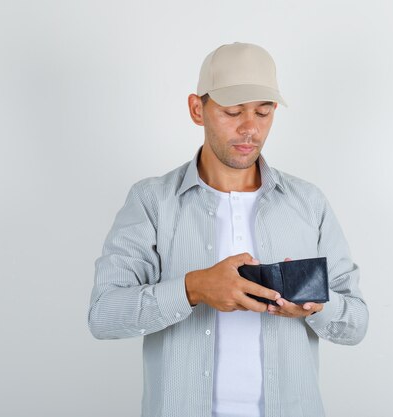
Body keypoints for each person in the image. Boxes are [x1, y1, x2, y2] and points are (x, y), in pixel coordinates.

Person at [88, 42, 368, 417]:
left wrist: (317, 308)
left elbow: (356, 324)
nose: (250, 128)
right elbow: (103, 315)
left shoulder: (308, 203)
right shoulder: (152, 201)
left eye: (264, 111)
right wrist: (193, 289)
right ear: (196, 109)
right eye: (232, 111)